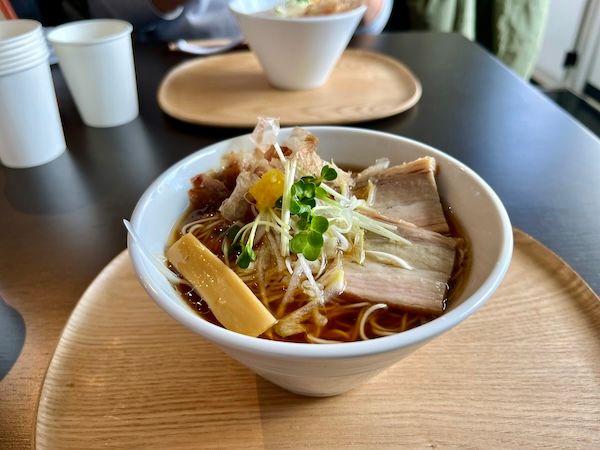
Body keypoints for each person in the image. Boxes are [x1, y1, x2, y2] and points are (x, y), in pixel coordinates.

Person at [88, 0, 393, 42]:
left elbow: (371, 19)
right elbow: (104, 17)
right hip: (181, 61)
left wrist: (366, 7)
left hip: (322, 55)